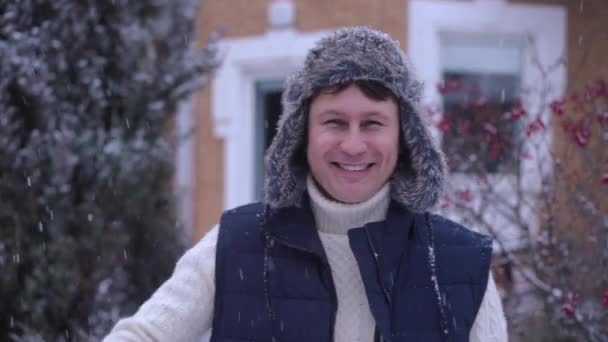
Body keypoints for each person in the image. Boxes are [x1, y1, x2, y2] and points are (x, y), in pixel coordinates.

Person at [104, 26, 508, 342]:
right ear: (302, 134)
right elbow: (143, 334)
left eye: (372, 123)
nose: (353, 144)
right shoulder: (235, 245)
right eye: (334, 122)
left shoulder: (459, 265)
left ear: (404, 138)